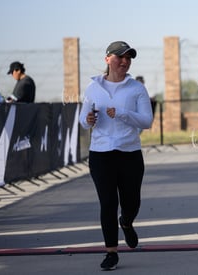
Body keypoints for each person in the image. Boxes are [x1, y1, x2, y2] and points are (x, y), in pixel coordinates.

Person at [79, 41, 153, 270]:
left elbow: (147, 121)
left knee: (131, 202)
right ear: (107, 59)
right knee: (108, 203)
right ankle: (111, 252)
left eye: (128, 58)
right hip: (100, 154)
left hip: (129, 153)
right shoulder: (93, 88)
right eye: (120, 57)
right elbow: (83, 120)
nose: (125, 61)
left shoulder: (136, 88)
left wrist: (122, 113)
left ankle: (127, 222)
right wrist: (87, 120)